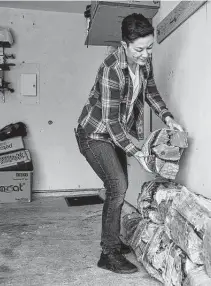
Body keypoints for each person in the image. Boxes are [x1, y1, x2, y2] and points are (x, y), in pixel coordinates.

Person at [74, 13, 184, 274]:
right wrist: (139, 153)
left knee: (118, 187)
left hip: (115, 134)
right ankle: (108, 253)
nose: (145, 55)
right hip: (94, 135)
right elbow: (111, 123)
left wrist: (168, 118)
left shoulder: (144, 60)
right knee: (118, 186)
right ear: (124, 44)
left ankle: (112, 239)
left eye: (149, 48)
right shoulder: (111, 68)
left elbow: (150, 91)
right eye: (139, 50)